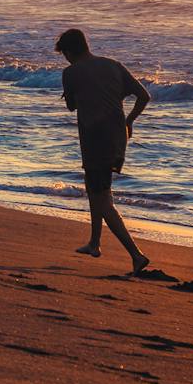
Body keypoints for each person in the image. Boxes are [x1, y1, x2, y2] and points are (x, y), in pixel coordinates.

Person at [55, 28, 150, 273]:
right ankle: (94, 242)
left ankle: (136, 254)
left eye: (64, 53)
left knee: (102, 198)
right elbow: (143, 96)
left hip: (95, 138)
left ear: (68, 51)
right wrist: (129, 121)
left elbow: (71, 107)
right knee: (93, 187)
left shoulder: (70, 73)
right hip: (117, 136)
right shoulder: (113, 65)